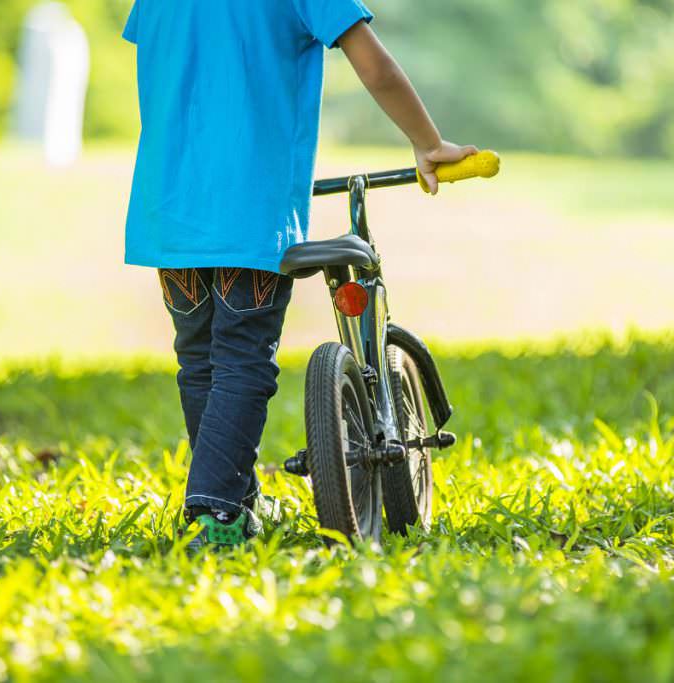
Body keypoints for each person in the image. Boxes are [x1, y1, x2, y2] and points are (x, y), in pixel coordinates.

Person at [121, 0, 478, 552]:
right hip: (250, 213)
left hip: (167, 209)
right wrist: (429, 144)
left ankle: (233, 500)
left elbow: (172, 69)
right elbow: (376, 67)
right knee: (240, 360)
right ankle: (215, 511)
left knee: (201, 363)